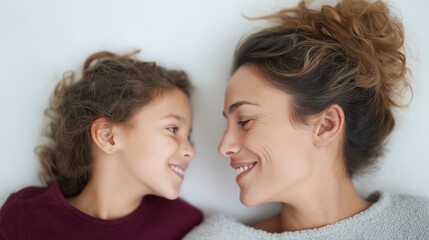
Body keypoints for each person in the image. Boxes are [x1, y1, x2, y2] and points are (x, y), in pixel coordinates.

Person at [184, 0, 429, 239]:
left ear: (326, 125)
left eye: (245, 120)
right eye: (229, 122)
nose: (224, 146)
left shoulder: (419, 224)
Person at [0, 51, 202, 239]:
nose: (190, 151)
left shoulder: (186, 226)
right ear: (108, 137)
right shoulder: (24, 216)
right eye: (173, 129)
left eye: (188, 136)